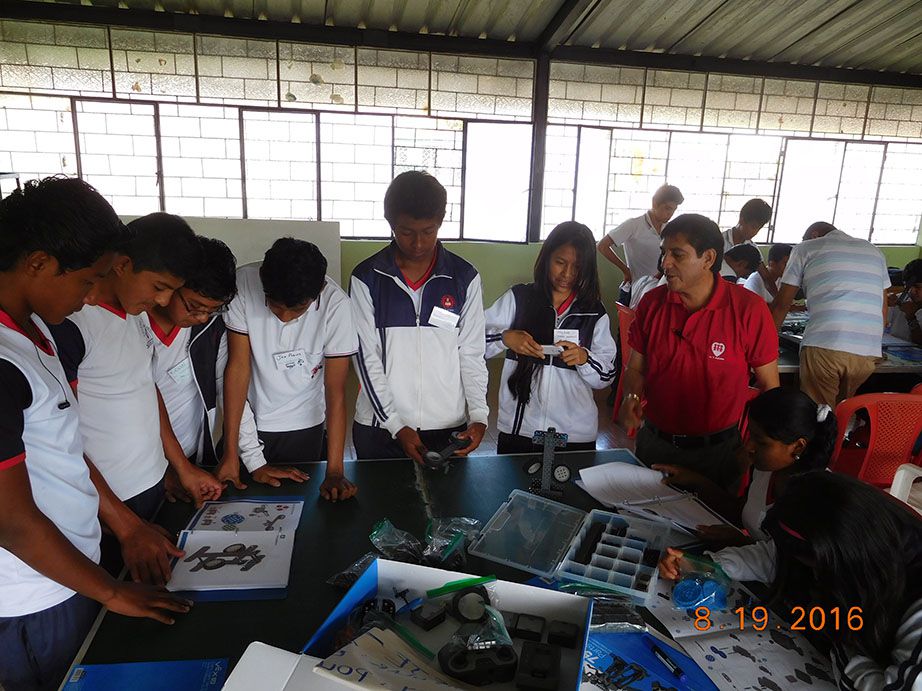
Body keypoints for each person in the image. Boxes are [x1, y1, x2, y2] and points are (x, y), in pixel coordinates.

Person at [0, 178, 191, 691]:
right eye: (88, 280)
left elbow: (65, 452)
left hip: (69, 576)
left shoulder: (33, 335)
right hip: (29, 598)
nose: (90, 296)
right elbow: (10, 521)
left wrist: (125, 532)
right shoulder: (3, 361)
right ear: (38, 263)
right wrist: (110, 592)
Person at [664, 472, 922, 691]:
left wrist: (841, 636)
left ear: (839, 559)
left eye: (815, 566)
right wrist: (709, 567)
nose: (815, 575)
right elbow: (773, 556)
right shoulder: (856, 533)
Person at [51, 213, 223, 522]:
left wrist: (180, 468)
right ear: (123, 264)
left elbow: (146, 388)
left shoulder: (136, 314)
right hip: (106, 503)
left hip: (151, 486)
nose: (163, 300)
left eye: (172, 290)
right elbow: (59, 439)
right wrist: (125, 525)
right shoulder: (73, 324)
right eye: (159, 287)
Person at [617, 214, 780, 491]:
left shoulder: (748, 310)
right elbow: (636, 368)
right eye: (664, 253)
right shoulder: (652, 304)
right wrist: (631, 396)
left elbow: (770, 388)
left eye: (677, 255)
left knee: (708, 528)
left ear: (708, 259)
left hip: (717, 451)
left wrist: (752, 446)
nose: (665, 263)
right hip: (655, 444)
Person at [145, 236, 308, 496]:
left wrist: (254, 461)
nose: (201, 317)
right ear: (173, 285)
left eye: (213, 310)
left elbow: (230, 389)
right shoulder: (135, 326)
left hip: (190, 458)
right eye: (194, 306)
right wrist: (166, 472)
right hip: (142, 467)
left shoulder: (210, 328)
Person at [351, 170, 489, 463]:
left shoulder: (464, 277)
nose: (417, 244)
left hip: (448, 429)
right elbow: (366, 358)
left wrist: (478, 414)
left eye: (428, 232)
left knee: (448, 509)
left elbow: (472, 353)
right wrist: (395, 424)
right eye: (406, 232)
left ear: (440, 222)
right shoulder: (367, 278)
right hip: (381, 428)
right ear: (391, 224)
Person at [222, 237, 358, 501]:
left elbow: (335, 391)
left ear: (318, 291)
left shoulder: (336, 306)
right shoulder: (243, 285)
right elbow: (237, 370)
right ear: (263, 279)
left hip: (306, 425)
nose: (283, 317)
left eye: (297, 309)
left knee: (299, 506)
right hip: (249, 421)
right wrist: (230, 453)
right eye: (274, 304)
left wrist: (335, 470)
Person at [656, 388, 836, 582]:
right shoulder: (765, 469)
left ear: (798, 446)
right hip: (745, 568)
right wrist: (696, 481)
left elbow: (785, 565)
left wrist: (741, 543)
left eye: (761, 442)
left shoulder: (814, 500)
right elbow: (745, 511)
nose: (749, 447)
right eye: (750, 435)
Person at [484, 222, 617, 454]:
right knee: (513, 489)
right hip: (520, 429)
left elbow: (607, 375)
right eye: (560, 263)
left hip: (574, 434)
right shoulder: (519, 298)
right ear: (546, 258)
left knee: (569, 490)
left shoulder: (594, 313)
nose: (567, 274)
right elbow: (473, 341)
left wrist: (585, 358)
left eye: (577, 267)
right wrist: (505, 338)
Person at [770, 221, 890, 408]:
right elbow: (883, 308)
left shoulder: (806, 248)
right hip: (866, 354)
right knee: (842, 412)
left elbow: (781, 304)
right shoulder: (874, 251)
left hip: (826, 345)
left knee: (818, 414)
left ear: (814, 235)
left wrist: (765, 348)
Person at [597, 184, 684, 305]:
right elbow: (602, 246)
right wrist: (626, 271)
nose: (670, 214)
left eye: (673, 210)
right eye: (667, 208)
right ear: (654, 203)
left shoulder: (669, 230)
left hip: (660, 288)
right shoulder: (634, 225)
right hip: (635, 289)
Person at [719, 198, 775, 292]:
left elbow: (766, 278)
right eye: (753, 227)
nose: (755, 232)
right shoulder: (719, 241)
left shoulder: (752, 249)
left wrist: (779, 301)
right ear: (742, 220)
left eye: (759, 228)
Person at [887, 259, 922, 345]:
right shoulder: (900, 300)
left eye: (917, 287)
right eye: (908, 287)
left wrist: (911, 318)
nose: (912, 291)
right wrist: (884, 303)